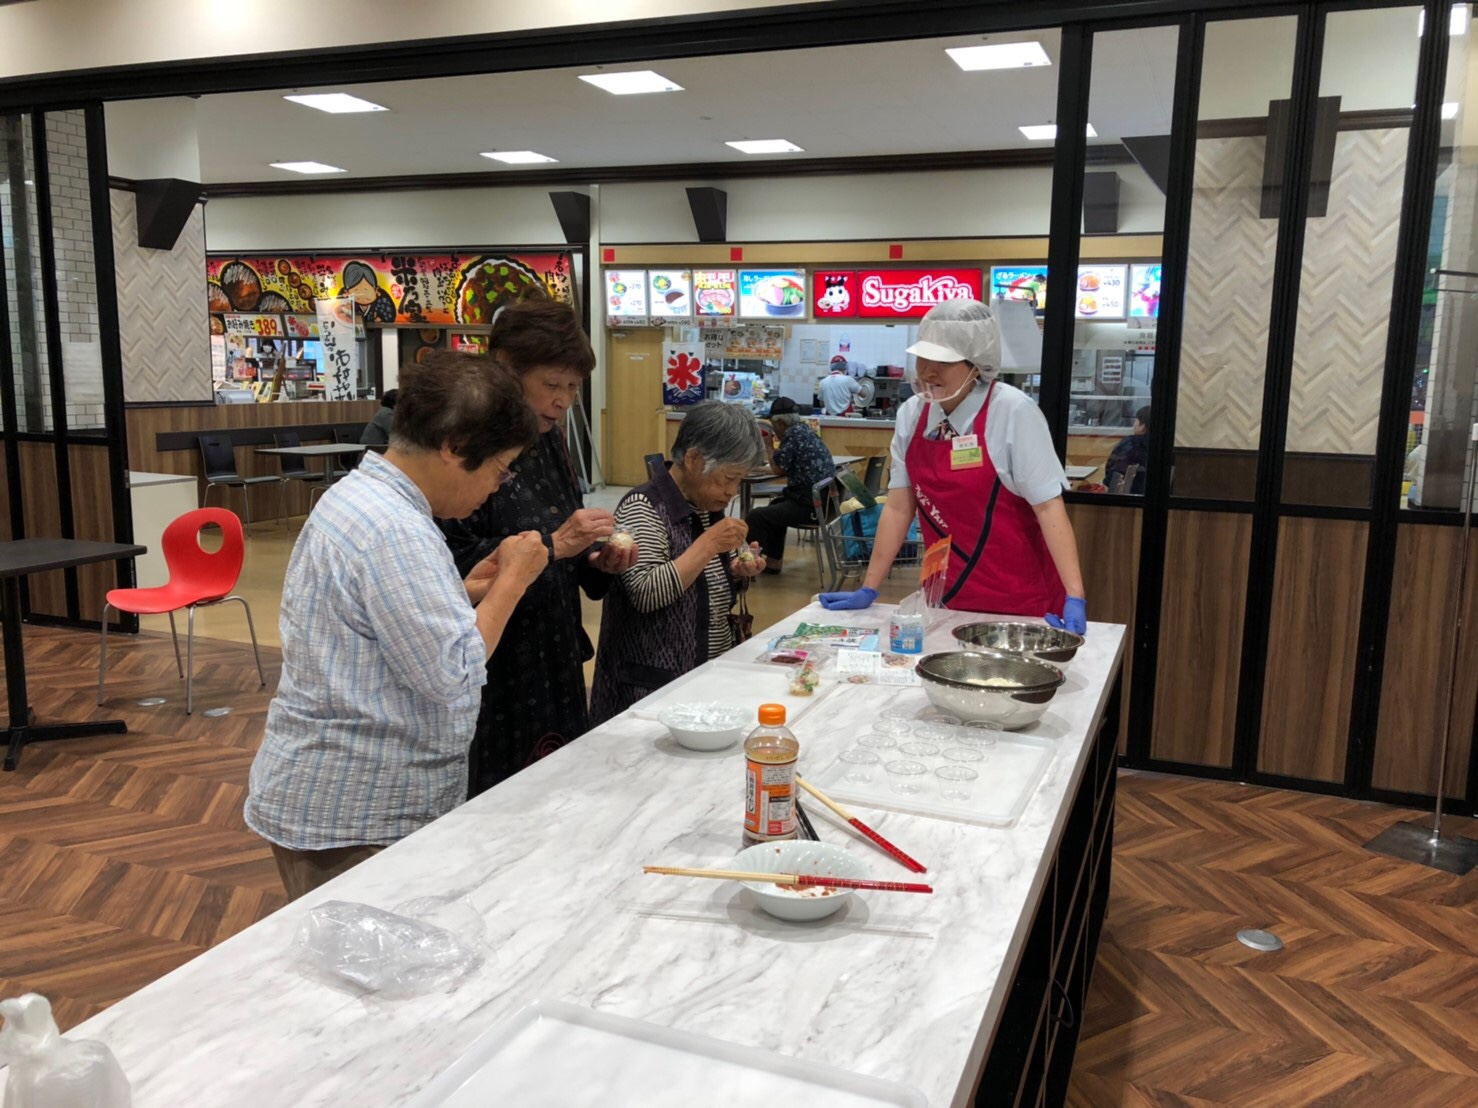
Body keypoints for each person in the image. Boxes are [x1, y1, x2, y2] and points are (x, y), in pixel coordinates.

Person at [245, 353, 549, 900]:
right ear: (455, 446)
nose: (499, 486)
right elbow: (452, 674)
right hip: (357, 814)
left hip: (341, 796)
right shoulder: (395, 529)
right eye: (500, 468)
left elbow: (372, 620)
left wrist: (461, 591)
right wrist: (513, 582)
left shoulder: (362, 497)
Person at [437, 300, 639, 795]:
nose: (564, 400)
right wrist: (556, 544)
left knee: (559, 786)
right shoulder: (464, 442)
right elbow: (447, 559)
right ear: (506, 366)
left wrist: (596, 561)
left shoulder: (549, 438)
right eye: (552, 384)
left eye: (573, 388)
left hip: (555, 649)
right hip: (494, 657)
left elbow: (563, 540)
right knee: (498, 795)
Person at [819, 299, 1088, 635]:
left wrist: (1075, 595)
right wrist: (869, 587)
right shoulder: (911, 415)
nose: (928, 371)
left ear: (977, 365)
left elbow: (1048, 507)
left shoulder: (1013, 412)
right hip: (945, 596)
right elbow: (900, 507)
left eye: (943, 361)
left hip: (1021, 597)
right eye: (923, 358)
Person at [589, 402, 768, 726]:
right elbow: (646, 593)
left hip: (702, 676)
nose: (731, 491)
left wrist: (736, 570)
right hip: (650, 689)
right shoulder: (643, 506)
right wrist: (709, 543)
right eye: (728, 478)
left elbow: (703, 578)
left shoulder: (705, 505)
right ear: (694, 459)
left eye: (739, 480)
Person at [745, 397, 834, 572]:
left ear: (782, 423)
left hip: (809, 506)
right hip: (822, 504)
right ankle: (773, 562)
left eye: (773, 425)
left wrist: (769, 445)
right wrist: (756, 468)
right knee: (775, 507)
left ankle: (752, 565)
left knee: (756, 517)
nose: (773, 429)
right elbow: (784, 469)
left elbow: (778, 469)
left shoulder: (792, 436)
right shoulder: (805, 432)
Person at [1104, 406, 1150, 495]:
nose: (1134, 424)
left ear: (1142, 427)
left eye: (1136, 421)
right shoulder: (1158, 445)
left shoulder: (1132, 442)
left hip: (1125, 492)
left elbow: (1115, 470)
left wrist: (1105, 483)